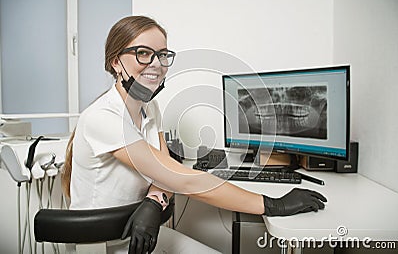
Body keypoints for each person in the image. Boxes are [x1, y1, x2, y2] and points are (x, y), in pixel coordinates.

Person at [62, 15, 327, 254]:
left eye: (162, 54)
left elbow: (165, 169)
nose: (156, 64)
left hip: (137, 235)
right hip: (101, 243)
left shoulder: (149, 107)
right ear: (116, 62)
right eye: (143, 53)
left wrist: (155, 200)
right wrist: (272, 205)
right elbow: (181, 180)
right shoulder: (103, 118)